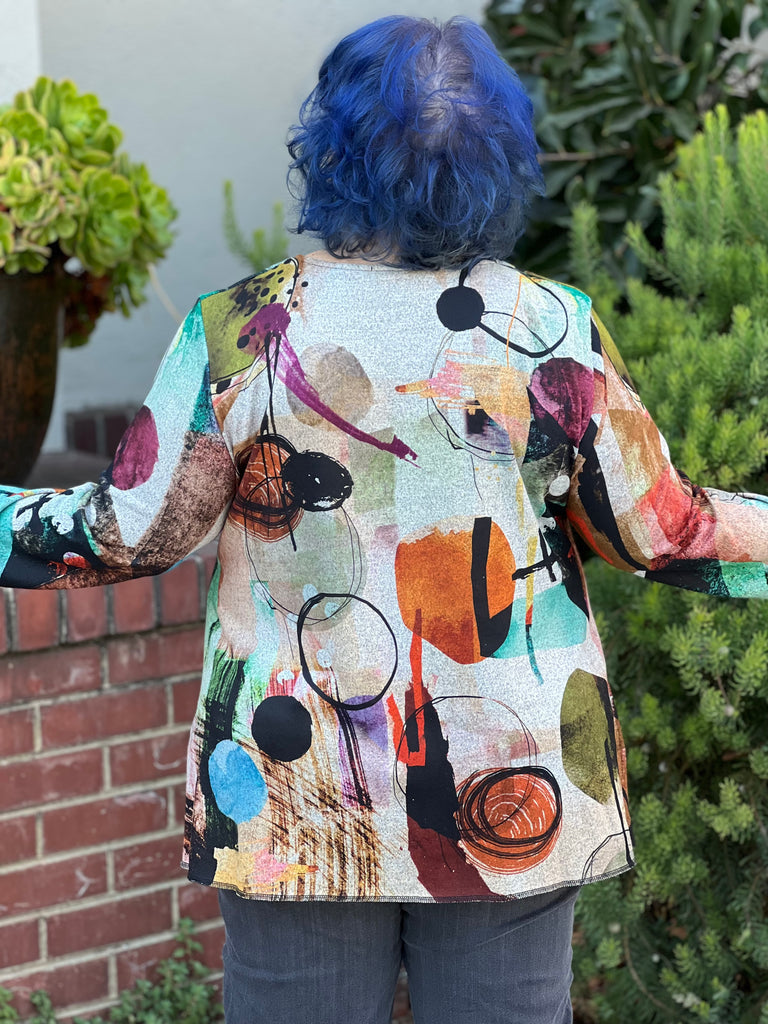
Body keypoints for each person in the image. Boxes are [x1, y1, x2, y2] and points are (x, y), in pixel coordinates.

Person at [2, 14, 768, 1024]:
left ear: (331, 152)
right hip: (515, 786)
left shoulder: (240, 334)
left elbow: (125, 531)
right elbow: (666, 531)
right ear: (499, 157)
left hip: (295, 788)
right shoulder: (553, 333)